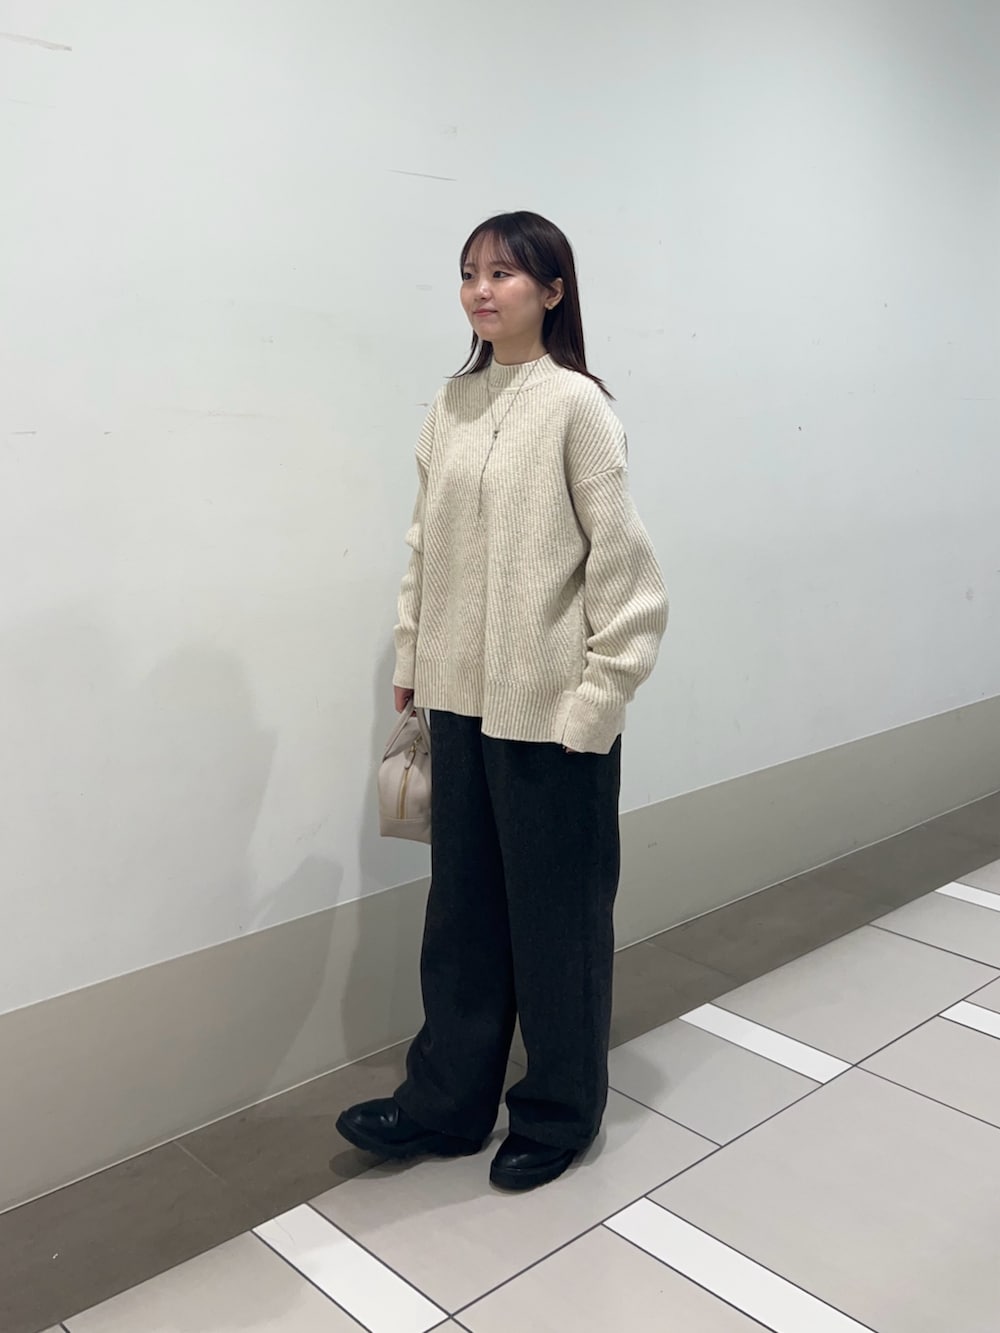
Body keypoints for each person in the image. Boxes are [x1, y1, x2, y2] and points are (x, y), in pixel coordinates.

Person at [338, 211, 668, 1191]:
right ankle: (446, 1102)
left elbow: (626, 573)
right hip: (458, 704)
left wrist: (595, 702)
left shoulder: (576, 405)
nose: (481, 290)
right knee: (463, 914)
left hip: (552, 715)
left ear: (552, 292)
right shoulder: (453, 402)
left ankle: (559, 1112)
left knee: (558, 921)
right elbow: (424, 544)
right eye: (469, 273)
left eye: (505, 274)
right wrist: (415, 653)